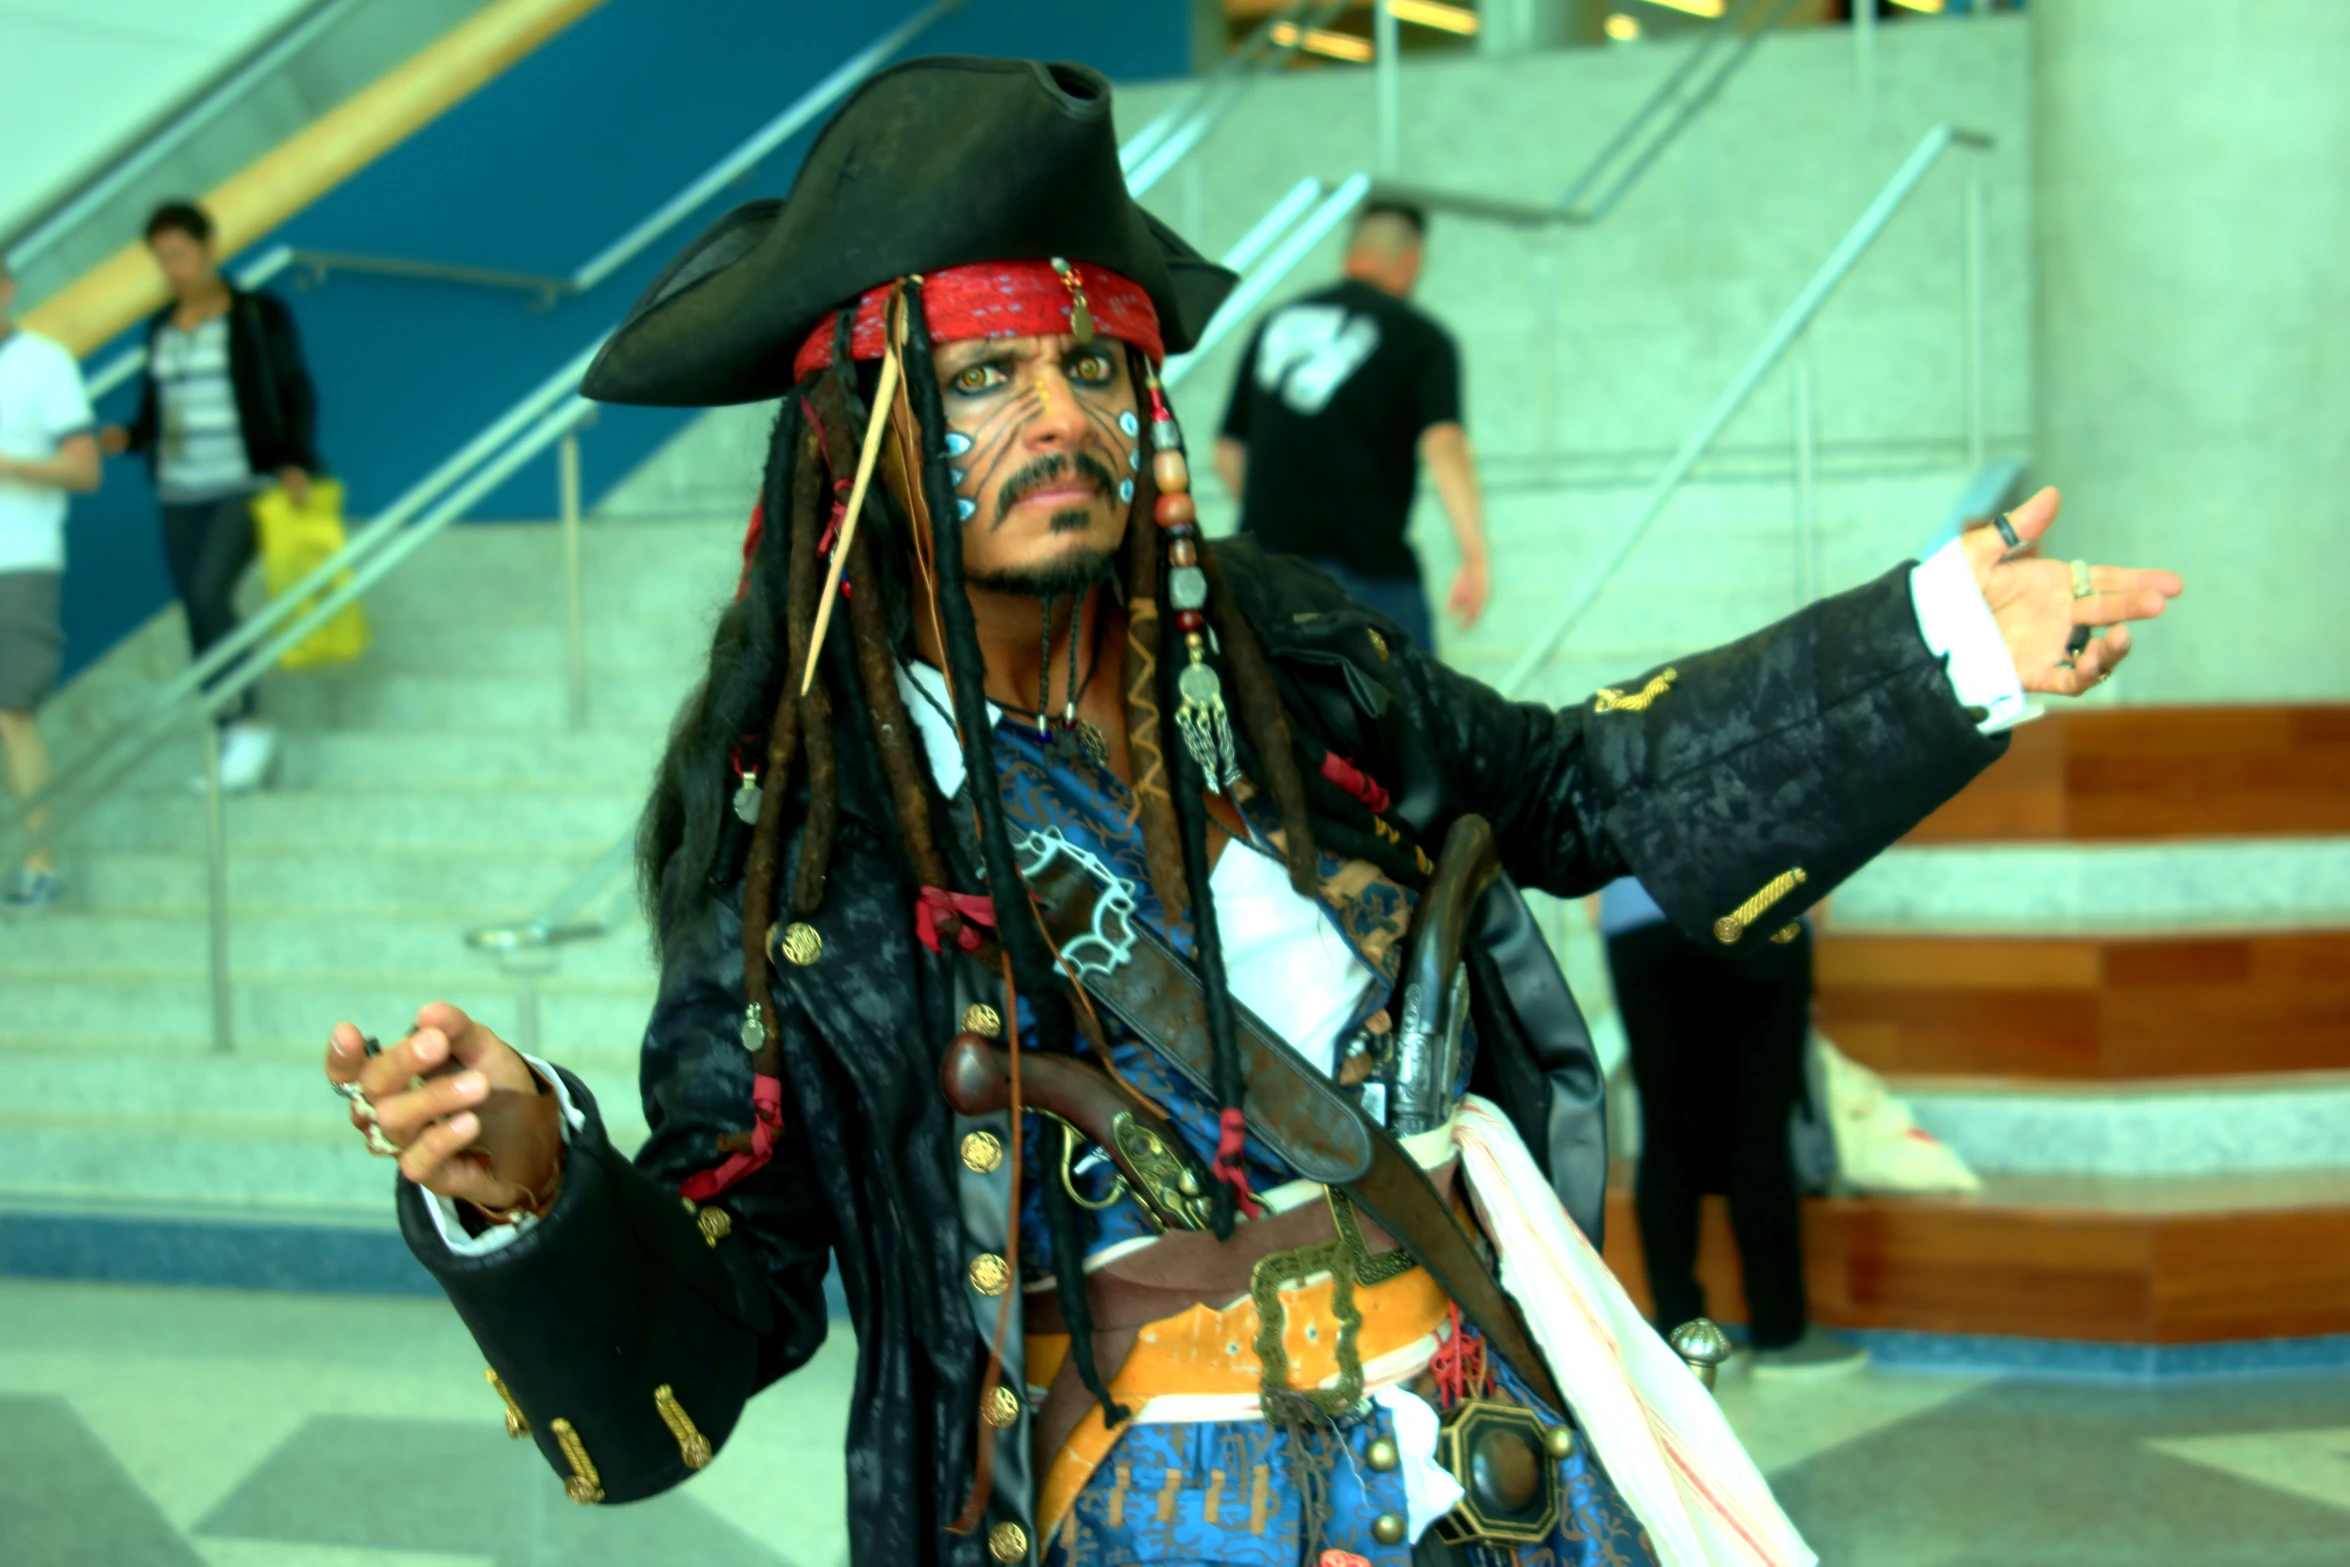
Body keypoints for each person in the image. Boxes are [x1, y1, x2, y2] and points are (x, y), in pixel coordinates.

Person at [320, 58, 2178, 1567]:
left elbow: (1578, 785)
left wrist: (1940, 653)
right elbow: (736, 1294)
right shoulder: (805, 846)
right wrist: (536, 1190)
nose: (1060, 411)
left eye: (1094, 364)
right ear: (863, 445)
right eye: (982, 376)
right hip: (1149, 1500)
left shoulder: (1287, 655)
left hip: (1489, 1437)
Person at [99, 199, 321, 794]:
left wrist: (295, 459)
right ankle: (228, 728)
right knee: (195, 606)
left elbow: (294, 388)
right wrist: (128, 436)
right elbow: (158, 410)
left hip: (242, 481)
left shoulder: (254, 314)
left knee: (210, 592)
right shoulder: (162, 328)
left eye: (178, 254)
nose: (171, 268)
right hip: (179, 488)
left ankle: (249, 719)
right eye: (160, 259)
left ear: (208, 249)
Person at [1597, 878, 1857, 1379]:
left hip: (1640, 918)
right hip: (1764, 905)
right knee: (1760, 1133)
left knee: (1666, 1130)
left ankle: (1681, 1336)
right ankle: (1780, 1334)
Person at [1213, 201, 1488, 651]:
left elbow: (1226, 452)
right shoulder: (1421, 337)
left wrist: (1284, 511)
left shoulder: (1275, 324)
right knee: (1406, 717)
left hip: (1267, 576)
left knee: (1276, 716)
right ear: (1411, 261)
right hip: (1371, 576)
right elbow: (1445, 443)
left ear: (1350, 254)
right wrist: (1474, 555)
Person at [0, 254, 100, 912]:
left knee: (11, 708)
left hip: (21, 559)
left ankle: (40, 861)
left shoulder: (44, 361)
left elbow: (85, 470)